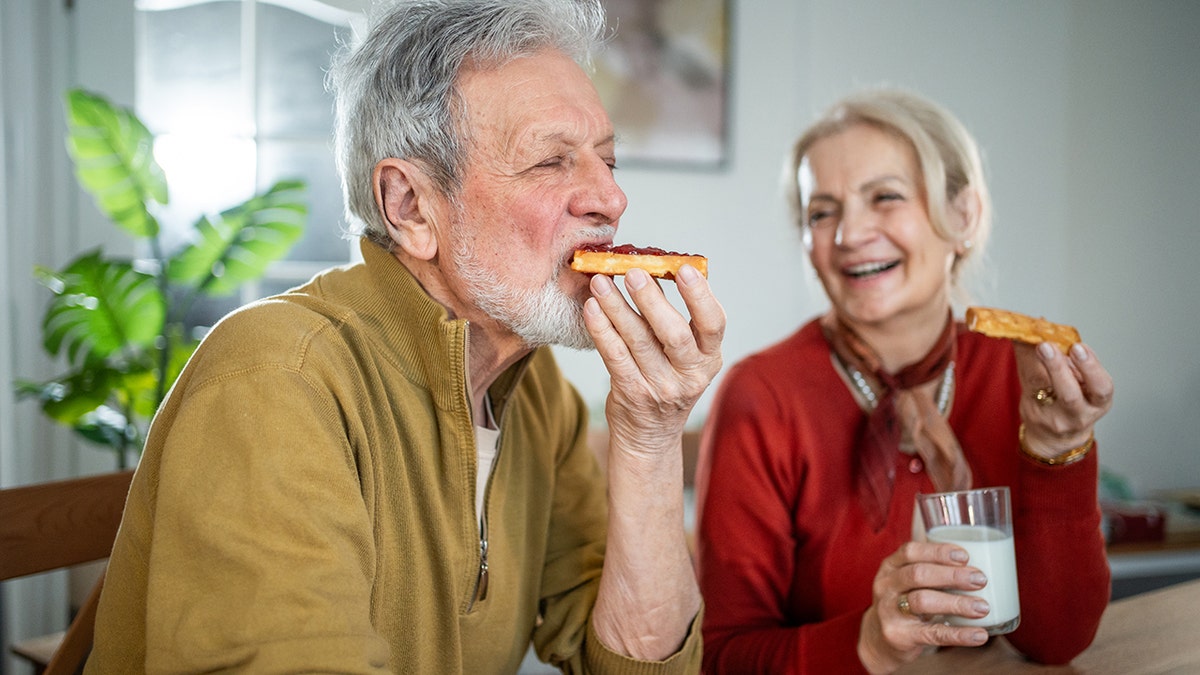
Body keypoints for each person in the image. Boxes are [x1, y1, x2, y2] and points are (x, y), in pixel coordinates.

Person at [86, 0, 724, 672]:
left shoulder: (539, 397)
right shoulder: (277, 380)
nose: (611, 199)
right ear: (410, 206)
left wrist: (651, 437)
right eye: (551, 163)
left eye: (608, 160)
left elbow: (635, 664)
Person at [694, 88, 1113, 674]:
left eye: (885, 197)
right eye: (822, 212)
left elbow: (1058, 641)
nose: (848, 234)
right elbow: (721, 656)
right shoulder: (762, 395)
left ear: (963, 216)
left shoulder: (1022, 374)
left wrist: (1055, 454)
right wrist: (869, 643)